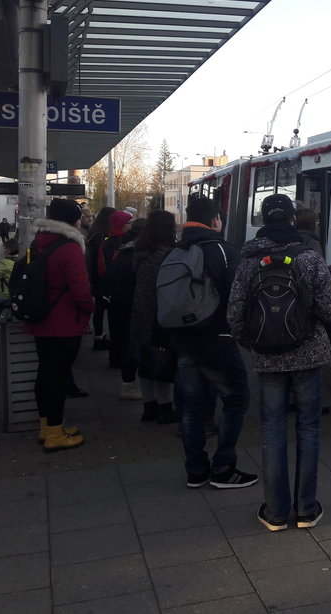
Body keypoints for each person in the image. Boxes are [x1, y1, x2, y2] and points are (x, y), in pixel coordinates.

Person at [228, 193, 331, 531]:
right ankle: (306, 509)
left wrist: (255, 342)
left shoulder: (249, 260)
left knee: (272, 431)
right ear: (292, 219)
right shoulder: (308, 258)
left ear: (263, 221)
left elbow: (234, 317)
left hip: (267, 360)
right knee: (308, 428)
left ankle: (275, 513)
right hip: (308, 356)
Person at [172, 196, 256, 489]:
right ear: (216, 220)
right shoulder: (223, 251)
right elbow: (238, 299)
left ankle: (195, 470)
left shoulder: (178, 249)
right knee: (236, 399)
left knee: (193, 408)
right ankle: (223, 468)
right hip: (217, 340)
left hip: (183, 341)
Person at [23, 199, 93, 451]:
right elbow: (81, 290)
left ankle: (47, 427)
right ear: (72, 221)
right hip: (64, 322)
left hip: (42, 319)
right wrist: (90, 308)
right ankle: (54, 433)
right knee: (58, 378)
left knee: (45, 373)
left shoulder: (39, 242)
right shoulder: (70, 248)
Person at [128, 210, 178, 424]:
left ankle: (149, 407)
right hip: (161, 312)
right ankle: (165, 407)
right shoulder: (169, 254)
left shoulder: (139, 251)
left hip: (140, 311)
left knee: (145, 359)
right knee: (162, 358)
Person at [101, 213, 141, 395]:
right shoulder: (112, 244)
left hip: (117, 296)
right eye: (128, 222)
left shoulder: (122, 244)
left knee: (121, 334)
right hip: (120, 297)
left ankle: (117, 360)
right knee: (124, 337)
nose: (130, 225)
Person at [85, 206, 115, 350]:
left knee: (100, 307)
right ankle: (100, 337)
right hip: (101, 276)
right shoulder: (102, 237)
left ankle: (99, 335)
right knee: (104, 306)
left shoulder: (93, 233)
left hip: (95, 276)